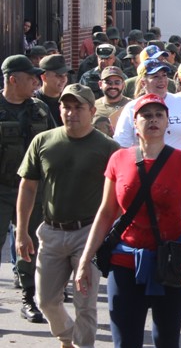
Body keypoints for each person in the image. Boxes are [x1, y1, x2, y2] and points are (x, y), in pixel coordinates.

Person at [75, 94, 181, 347]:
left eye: (159, 115)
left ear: (168, 122)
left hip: (170, 264)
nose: (153, 120)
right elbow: (105, 213)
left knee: (166, 341)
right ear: (135, 123)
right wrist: (83, 260)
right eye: (146, 115)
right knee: (125, 342)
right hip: (125, 262)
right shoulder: (118, 159)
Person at [16, 84, 119, 347]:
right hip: (50, 232)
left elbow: (120, 194)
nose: (71, 113)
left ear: (92, 110)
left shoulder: (108, 148)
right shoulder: (44, 141)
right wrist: (22, 230)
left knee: (85, 303)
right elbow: (28, 186)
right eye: (66, 107)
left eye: (78, 107)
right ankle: (67, 337)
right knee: (45, 300)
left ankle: (83, 345)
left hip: (88, 233)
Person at [0, 55, 55, 323]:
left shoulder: (40, 109)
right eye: (31, 77)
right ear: (13, 79)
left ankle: (28, 299)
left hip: (32, 189)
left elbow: (56, 144)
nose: (36, 81)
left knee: (29, 244)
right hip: (1, 189)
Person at [34, 54, 69, 126]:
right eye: (59, 75)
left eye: (65, 75)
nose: (64, 79)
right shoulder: (33, 101)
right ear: (44, 77)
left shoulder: (69, 101)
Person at [95, 66, 131, 132]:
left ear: (123, 85)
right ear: (100, 84)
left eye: (117, 83)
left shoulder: (131, 106)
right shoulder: (93, 107)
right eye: (109, 83)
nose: (113, 86)